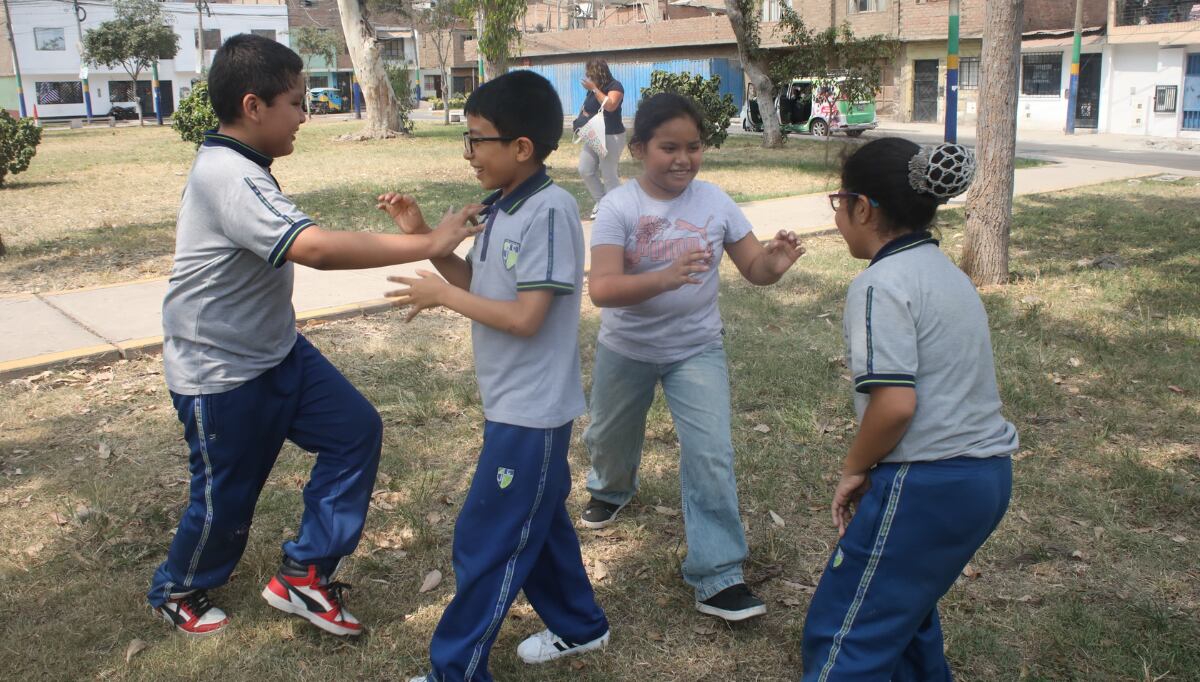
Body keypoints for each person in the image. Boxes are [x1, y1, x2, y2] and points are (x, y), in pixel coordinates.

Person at [147, 33, 481, 638]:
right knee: (227, 497)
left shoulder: (248, 168)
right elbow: (317, 248)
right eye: (296, 102)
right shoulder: (227, 175)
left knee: (355, 432)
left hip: (278, 352)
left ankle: (305, 573)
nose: (305, 114)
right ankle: (179, 587)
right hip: (220, 373)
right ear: (254, 106)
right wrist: (431, 242)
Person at [380, 70, 609, 682]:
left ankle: (453, 671)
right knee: (537, 521)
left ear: (521, 148)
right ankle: (581, 625)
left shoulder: (553, 210)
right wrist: (427, 242)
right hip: (511, 402)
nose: (469, 152)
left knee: (487, 539)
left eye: (477, 139)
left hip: (532, 411)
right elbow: (483, 287)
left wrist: (441, 297)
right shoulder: (503, 207)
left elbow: (527, 317)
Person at [580, 92, 805, 622]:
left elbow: (754, 269)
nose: (683, 158)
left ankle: (719, 575)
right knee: (609, 437)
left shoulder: (714, 202)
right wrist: (665, 276)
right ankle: (611, 488)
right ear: (638, 149)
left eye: (694, 147)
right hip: (626, 348)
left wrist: (775, 262)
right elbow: (603, 290)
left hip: (696, 348)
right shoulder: (619, 207)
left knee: (710, 452)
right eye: (668, 147)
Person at [801, 138, 1018, 681]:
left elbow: (895, 405)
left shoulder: (880, 283)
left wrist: (854, 468)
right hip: (986, 477)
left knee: (845, 631)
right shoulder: (946, 273)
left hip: (928, 485)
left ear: (863, 207)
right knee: (904, 612)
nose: (838, 215)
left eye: (839, 201)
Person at [574, 58, 625, 220]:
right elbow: (587, 108)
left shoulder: (615, 86)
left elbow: (610, 106)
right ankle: (602, 201)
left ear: (599, 73)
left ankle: (616, 209)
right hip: (594, 134)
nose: (588, 77)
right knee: (585, 169)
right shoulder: (592, 90)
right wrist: (581, 119)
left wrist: (595, 89)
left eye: (591, 74)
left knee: (609, 174)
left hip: (612, 135)